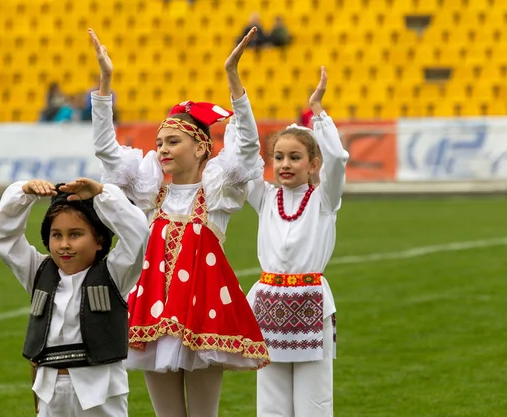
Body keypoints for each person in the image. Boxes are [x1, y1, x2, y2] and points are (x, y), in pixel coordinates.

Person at [88, 27, 270, 417]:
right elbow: (105, 148)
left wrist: (234, 79)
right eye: (159, 143)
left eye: (173, 142)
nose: (163, 150)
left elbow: (249, 148)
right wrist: (105, 84)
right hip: (152, 311)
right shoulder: (151, 191)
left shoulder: (218, 189)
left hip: (203, 313)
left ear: (201, 146)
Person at [0, 177, 149, 417]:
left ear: (99, 240)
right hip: (49, 390)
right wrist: (23, 194)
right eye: (56, 235)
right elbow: (3, 238)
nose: (64, 245)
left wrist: (101, 193)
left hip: (100, 390)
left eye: (75, 235)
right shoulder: (37, 272)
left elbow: (138, 237)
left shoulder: (115, 274)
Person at [242, 67, 349, 416]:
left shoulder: (324, 200)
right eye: (279, 157)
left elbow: (338, 159)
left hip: (311, 304)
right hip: (268, 304)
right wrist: (238, 98)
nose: (285, 164)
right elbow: (243, 161)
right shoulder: (265, 198)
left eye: (295, 157)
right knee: (270, 403)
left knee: (314, 402)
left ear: (313, 164)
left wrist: (318, 112)